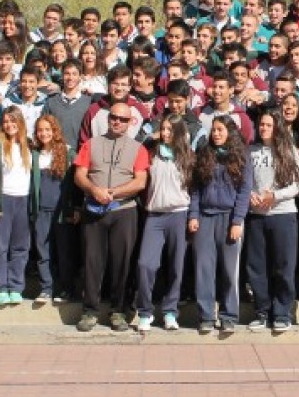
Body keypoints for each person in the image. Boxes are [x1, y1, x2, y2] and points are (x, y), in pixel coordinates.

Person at [73, 102, 150, 333]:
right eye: (114, 117)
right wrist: (94, 190)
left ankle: (118, 311)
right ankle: (90, 310)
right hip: (93, 209)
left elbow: (140, 181)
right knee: (91, 261)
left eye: (123, 119)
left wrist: (115, 192)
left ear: (130, 123)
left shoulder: (138, 149)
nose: (117, 122)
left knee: (121, 262)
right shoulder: (91, 144)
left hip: (123, 210)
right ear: (108, 119)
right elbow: (79, 175)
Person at [188, 115, 253, 335]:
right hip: (205, 217)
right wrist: (194, 215)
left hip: (229, 218)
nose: (216, 133)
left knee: (229, 270)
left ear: (230, 132)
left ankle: (228, 315)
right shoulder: (204, 153)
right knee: (204, 268)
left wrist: (237, 221)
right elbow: (195, 188)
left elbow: (244, 192)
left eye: (220, 130)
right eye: (213, 130)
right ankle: (206, 315)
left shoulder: (241, 156)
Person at [244, 110, 299, 333]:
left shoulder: (288, 151)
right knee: (257, 267)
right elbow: (244, 180)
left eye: (269, 125)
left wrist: (274, 196)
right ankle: (262, 311)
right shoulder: (251, 151)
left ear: (277, 127)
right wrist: (251, 194)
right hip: (257, 217)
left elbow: (298, 185)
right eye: (262, 125)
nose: (264, 128)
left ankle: (282, 313)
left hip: (283, 215)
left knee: (283, 266)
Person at [134, 114, 194, 332]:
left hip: (179, 214)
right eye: (164, 129)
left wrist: (193, 216)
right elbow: (137, 147)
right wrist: (153, 136)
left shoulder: (187, 156)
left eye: (170, 129)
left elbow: (194, 190)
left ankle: (170, 311)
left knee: (177, 267)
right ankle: (145, 312)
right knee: (145, 264)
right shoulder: (151, 153)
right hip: (154, 216)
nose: (166, 133)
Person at [30, 114, 75, 304]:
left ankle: (66, 289)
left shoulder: (66, 152)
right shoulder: (34, 154)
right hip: (41, 211)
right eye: (40, 130)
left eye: (48, 129)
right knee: (43, 251)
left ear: (55, 131)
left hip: (61, 211)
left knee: (64, 252)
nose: (44, 133)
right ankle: (46, 288)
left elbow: (73, 185)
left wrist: (74, 208)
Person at [0, 107, 32, 306]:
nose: (9, 125)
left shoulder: (29, 146)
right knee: (0, 246)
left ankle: (16, 286)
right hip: (4, 198)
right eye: (6, 121)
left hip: (23, 199)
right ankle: (1, 287)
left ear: (20, 123)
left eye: (13, 121)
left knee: (20, 246)